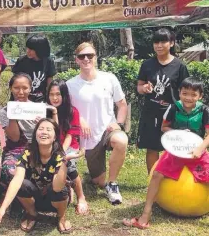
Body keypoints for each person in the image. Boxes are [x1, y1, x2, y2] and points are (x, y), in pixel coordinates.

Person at [123, 77, 209, 229]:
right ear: (179, 93)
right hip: (175, 151)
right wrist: (179, 133)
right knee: (156, 175)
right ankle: (145, 215)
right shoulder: (173, 108)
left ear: (200, 96)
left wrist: (200, 149)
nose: (188, 97)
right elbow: (164, 128)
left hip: (197, 152)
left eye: (193, 94)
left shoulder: (204, 110)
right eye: (185, 93)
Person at [66, 42, 128, 205]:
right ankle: (97, 176)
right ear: (76, 60)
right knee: (99, 182)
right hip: (86, 137)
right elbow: (65, 110)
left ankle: (113, 184)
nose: (86, 59)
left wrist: (119, 124)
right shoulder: (70, 85)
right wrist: (79, 119)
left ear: (96, 57)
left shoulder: (109, 78)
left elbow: (122, 105)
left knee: (121, 141)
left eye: (90, 55)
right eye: (82, 56)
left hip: (107, 130)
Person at [0, 118, 71, 233]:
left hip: (55, 200)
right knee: (22, 184)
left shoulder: (59, 155)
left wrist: (64, 162)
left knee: (61, 189)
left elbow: (58, 188)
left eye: (49, 130)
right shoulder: (28, 153)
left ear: (54, 137)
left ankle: (61, 216)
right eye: (41, 129)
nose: (44, 132)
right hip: (35, 198)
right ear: (35, 135)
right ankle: (32, 214)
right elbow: (17, 180)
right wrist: (3, 208)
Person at [137, 28, 189, 173]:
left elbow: (186, 92)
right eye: (156, 42)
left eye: (163, 41)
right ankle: (152, 179)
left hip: (173, 113)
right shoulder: (147, 65)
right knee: (152, 147)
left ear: (171, 43)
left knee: (173, 147)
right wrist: (144, 88)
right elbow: (139, 87)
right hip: (151, 112)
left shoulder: (180, 66)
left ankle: (173, 179)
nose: (159, 45)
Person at [46, 80, 89, 215]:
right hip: (50, 146)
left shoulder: (72, 112)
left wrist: (60, 152)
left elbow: (70, 136)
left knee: (68, 164)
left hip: (69, 146)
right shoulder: (45, 111)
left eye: (58, 94)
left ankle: (81, 197)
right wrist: (53, 113)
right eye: (51, 94)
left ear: (64, 95)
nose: (54, 98)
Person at [0, 73, 47, 186]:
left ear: (30, 88)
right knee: (11, 171)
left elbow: (47, 135)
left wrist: (41, 124)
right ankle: (15, 196)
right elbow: (14, 138)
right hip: (15, 151)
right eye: (16, 88)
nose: (20, 92)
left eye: (25, 88)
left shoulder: (38, 109)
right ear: (11, 88)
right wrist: (13, 115)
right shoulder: (5, 111)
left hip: (37, 150)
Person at [12, 35, 57, 102]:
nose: (27, 51)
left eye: (31, 49)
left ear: (40, 50)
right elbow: (15, 82)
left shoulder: (48, 62)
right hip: (22, 99)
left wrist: (49, 98)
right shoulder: (22, 61)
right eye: (27, 48)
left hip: (41, 99)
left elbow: (49, 82)